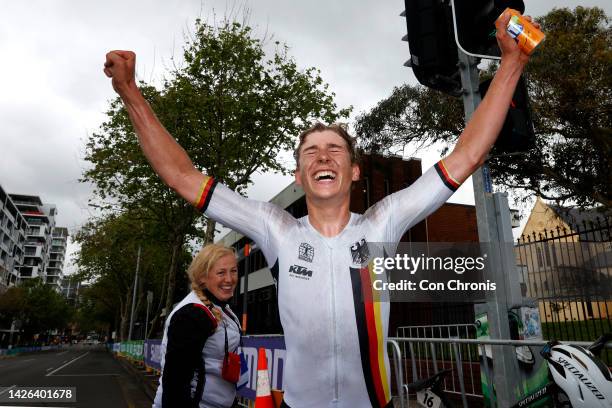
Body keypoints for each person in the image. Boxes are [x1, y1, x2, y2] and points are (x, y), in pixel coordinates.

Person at [105, 11, 538, 408]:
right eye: (311, 152)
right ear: (299, 176)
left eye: (335, 150)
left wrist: (511, 63)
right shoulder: (276, 230)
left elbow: (467, 155)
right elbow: (183, 176)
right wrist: (130, 92)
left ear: (353, 172)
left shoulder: (382, 221)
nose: (323, 157)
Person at [152, 244, 241, 408]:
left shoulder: (219, 305)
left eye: (233, 271)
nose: (229, 279)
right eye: (221, 272)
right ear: (202, 277)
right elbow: (175, 382)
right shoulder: (191, 314)